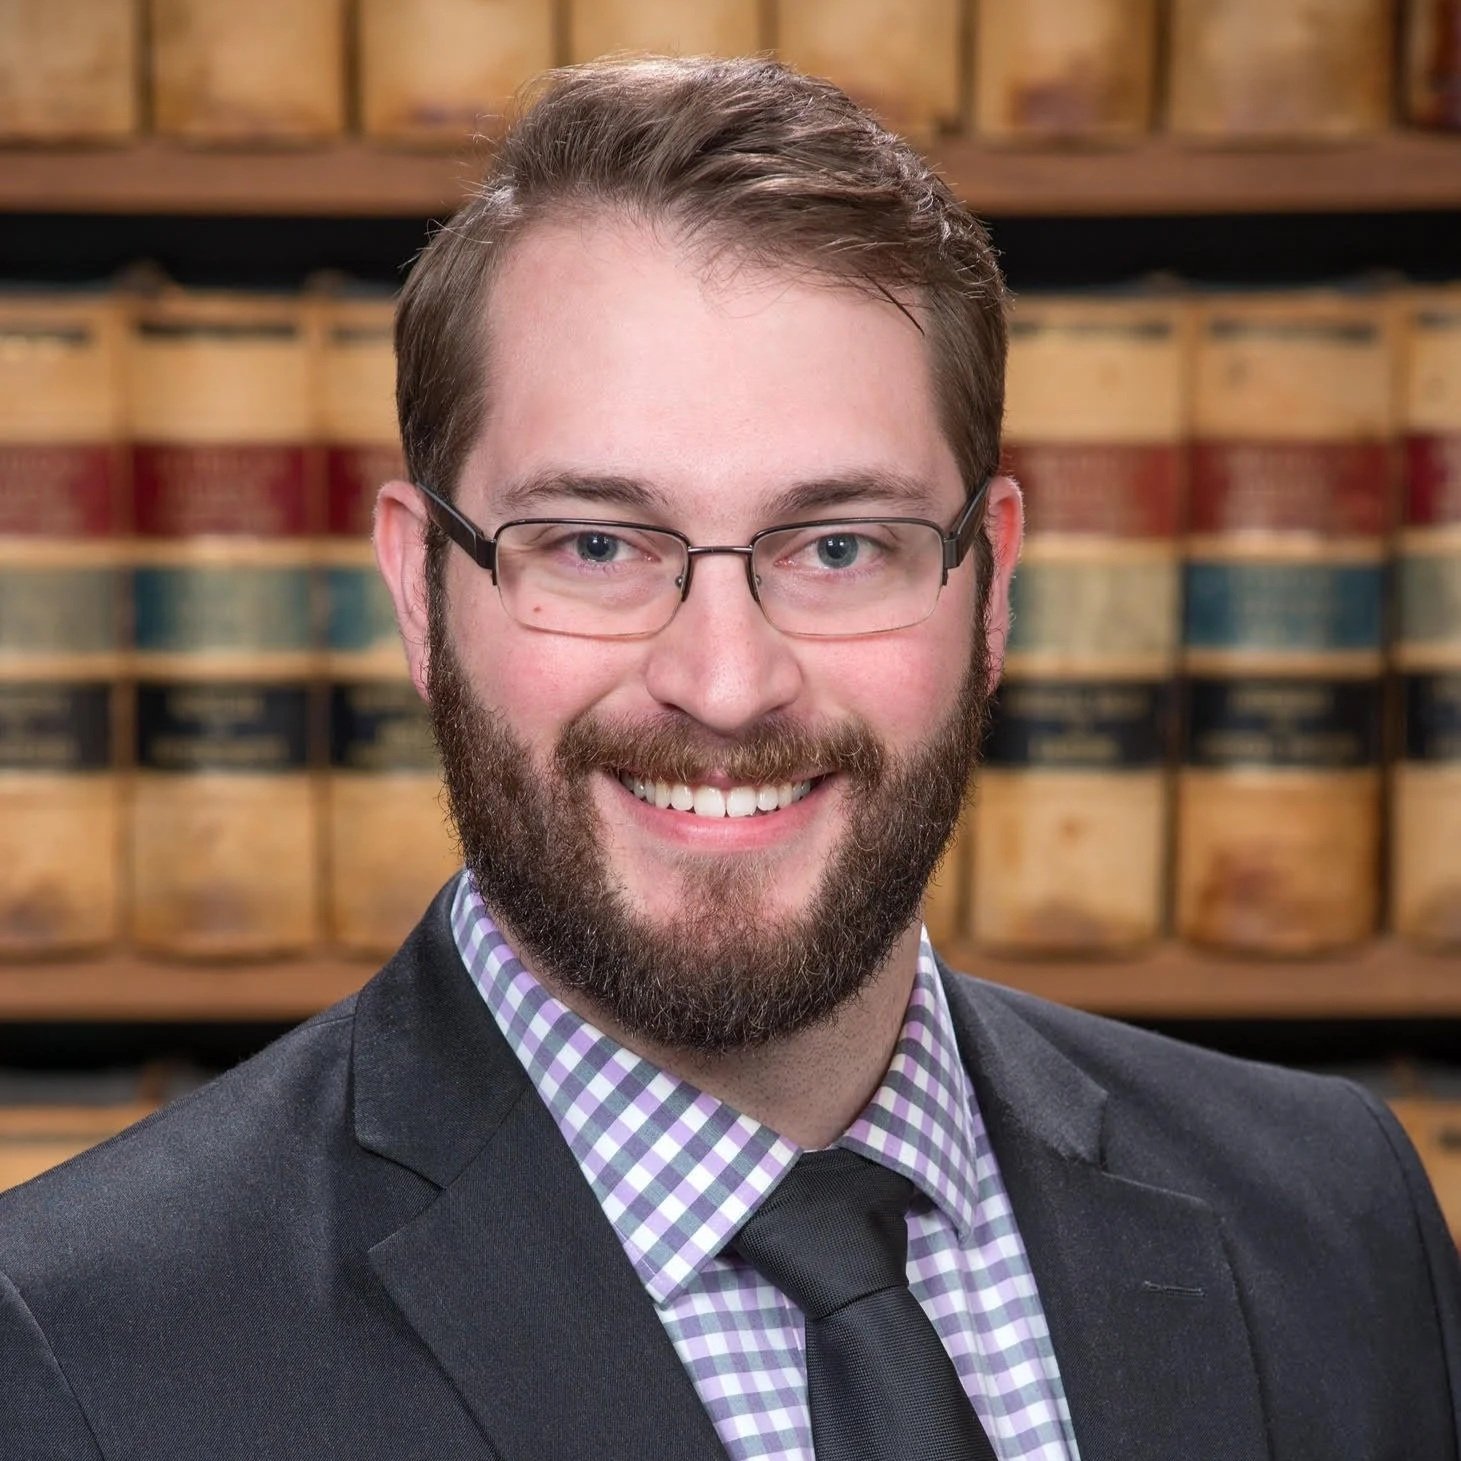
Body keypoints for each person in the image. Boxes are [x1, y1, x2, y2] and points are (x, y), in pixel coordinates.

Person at [1, 56, 1457, 1461]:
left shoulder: (1333, 1221)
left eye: (837, 545)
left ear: (991, 584)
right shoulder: (79, 1345)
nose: (723, 680)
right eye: (591, 542)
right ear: (417, 590)